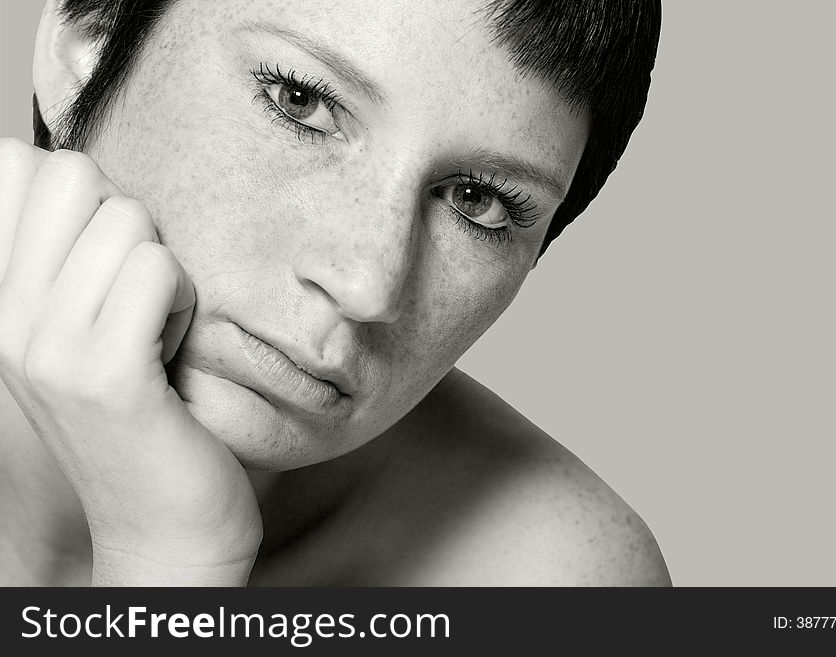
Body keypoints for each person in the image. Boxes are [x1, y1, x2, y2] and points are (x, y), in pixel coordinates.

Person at [0, 0, 670, 586]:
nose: (368, 284)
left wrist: (168, 565)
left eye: (477, 201)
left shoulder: (549, 580)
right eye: (302, 101)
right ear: (88, 34)